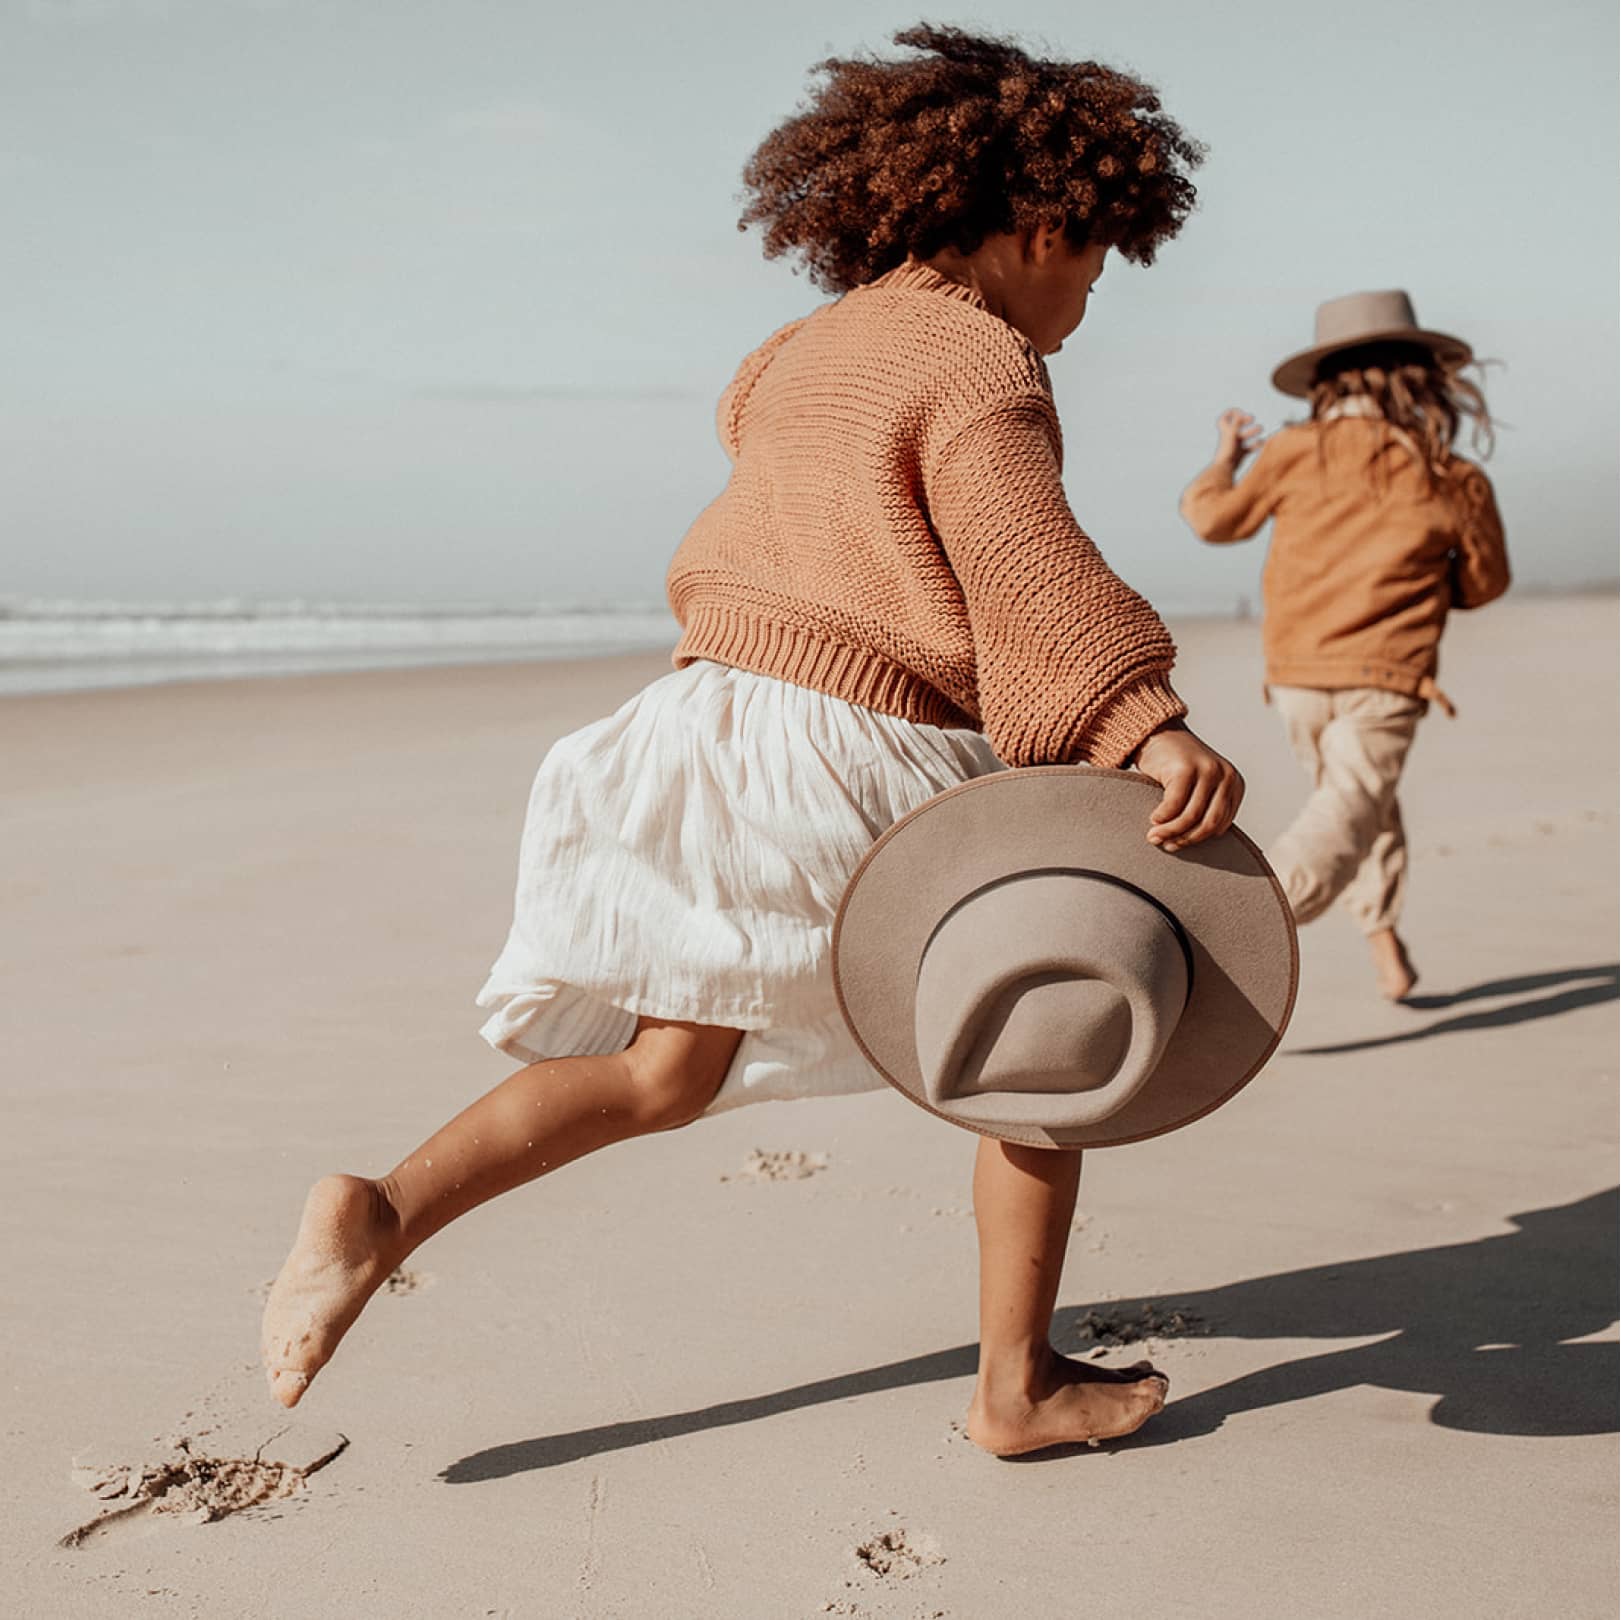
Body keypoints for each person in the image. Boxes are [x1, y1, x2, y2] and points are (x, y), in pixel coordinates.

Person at [262, 24, 1243, 1458]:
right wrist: (1140, 718)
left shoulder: (795, 351)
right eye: (1091, 272)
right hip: (849, 749)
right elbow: (1028, 561)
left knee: (665, 1073)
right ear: (1037, 227)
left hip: (704, 726)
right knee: (1042, 1047)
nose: (1082, 307)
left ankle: (380, 1214)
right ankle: (1014, 1389)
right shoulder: (978, 365)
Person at [1180, 291, 1509, 1001]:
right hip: (1387, 672)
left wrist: (1224, 460)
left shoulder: (1293, 452)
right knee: (1349, 808)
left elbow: (1212, 520)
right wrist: (1419, 582)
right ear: (1422, 380)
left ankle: (1384, 944)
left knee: (1358, 805)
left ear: (1325, 383)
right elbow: (1484, 584)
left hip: (1295, 672)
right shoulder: (1451, 475)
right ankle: (1240, 928)